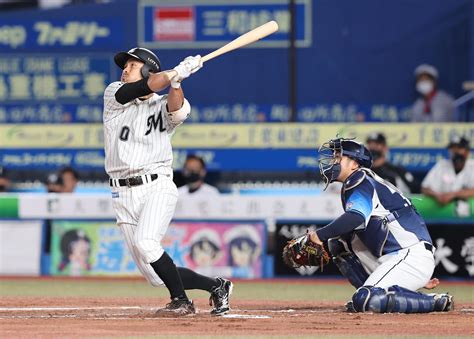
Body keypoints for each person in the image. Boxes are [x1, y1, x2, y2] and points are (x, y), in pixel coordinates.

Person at [103, 47, 232, 316]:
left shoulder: (163, 104)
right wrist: (175, 72)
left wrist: (176, 81)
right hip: (122, 194)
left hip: (156, 185)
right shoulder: (114, 94)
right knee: (156, 275)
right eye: (124, 65)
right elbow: (144, 86)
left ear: (149, 69)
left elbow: (176, 108)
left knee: (147, 243)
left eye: (132, 65)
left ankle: (181, 301)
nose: (124, 69)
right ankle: (217, 286)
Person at [307, 137, 453, 313]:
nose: (333, 161)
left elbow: (355, 217)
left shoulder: (359, 179)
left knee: (367, 300)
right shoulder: (362, 180)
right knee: (339, 242)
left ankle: (433, 302)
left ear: (354, 164)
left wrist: (318, 235)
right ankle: (382, 290)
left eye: (339, 156)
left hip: (411, 255)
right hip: (396, 257)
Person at [421, 136, 474, 205]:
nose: (456, 151)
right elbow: (425, 188)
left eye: (459, 148)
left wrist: (453, 194)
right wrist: (437, 195)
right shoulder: (442, 165)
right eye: (453, 148)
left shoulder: (472, 166)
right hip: (443, 213)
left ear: (467, 151)